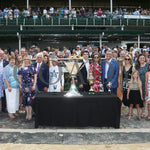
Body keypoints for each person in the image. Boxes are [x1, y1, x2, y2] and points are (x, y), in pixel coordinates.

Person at [18, 55, 37, 120]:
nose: (26, 60)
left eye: (27, 59)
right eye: (25, 59)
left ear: (29, 60)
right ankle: (27, 113)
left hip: (31, 85)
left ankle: (30, 113)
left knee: (30, 100)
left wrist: (34, 85)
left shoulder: (33, 67)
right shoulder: (21, 68)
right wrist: (20, 85)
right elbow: (20, 77)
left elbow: (35, 77)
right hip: (24, 86)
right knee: (25, 100)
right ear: (24, 60)